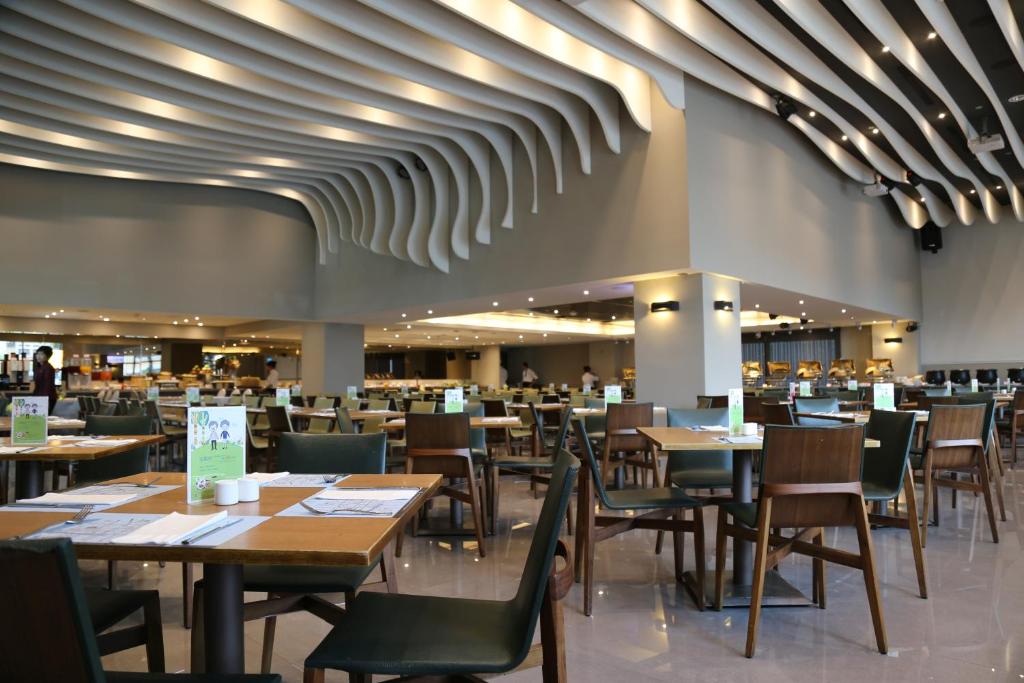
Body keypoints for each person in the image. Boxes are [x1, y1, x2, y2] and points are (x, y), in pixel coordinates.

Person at [30, 345, 58, 414]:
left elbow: (47, 385)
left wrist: (44, 400)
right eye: (37, 354)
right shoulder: (39, 367)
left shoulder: (48, 368)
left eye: (42, 354)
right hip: (41, 397)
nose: (38, 356)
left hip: (46, 398)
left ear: (47, 356)